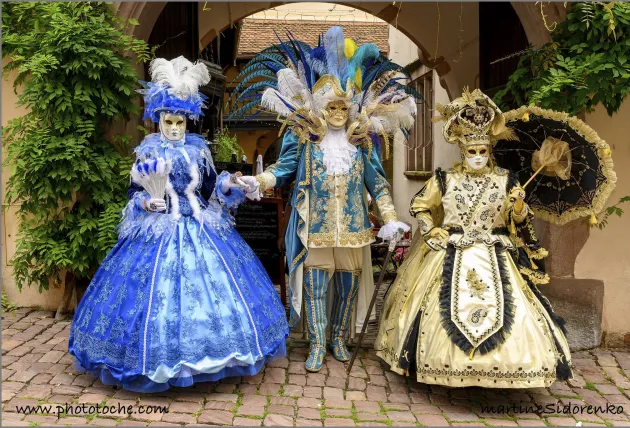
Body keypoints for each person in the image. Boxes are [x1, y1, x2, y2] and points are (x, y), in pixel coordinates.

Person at [68, 57, 288, 392]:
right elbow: (134, 192)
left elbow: (211, 187)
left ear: (188, 121)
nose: (174, 128)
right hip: (158, 225)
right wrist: (146, 202)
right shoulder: (147, 152)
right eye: (169, 121)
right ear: (158, 120)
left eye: (181, 122)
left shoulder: (199, 150)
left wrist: (231, 184)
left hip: (201, 224)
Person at [234, 27, 418, 372]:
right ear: (321, 107)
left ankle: (337, 337)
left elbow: (377, 184)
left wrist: (390, 217)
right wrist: (257, 180)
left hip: (352, 227)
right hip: (315, 226)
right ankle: (317, 343)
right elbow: (283, 169)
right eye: (331, 106)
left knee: (348, 285)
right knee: (316, 283)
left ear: (349, 108)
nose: (337, 111)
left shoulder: (361, 144)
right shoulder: (305, 142)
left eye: (342, 106)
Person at [375, 89, 572, 388]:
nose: (478, 157)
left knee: (514, 310)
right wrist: (431, 229)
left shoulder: (506, 180)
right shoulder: (445, 179)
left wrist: (518, 203)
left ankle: (509, 367)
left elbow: (516, 219)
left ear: (489, 152)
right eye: (472, 152)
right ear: (463, 151)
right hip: (451, 249)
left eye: (483, 152)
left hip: (495, 252)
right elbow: (421, 206)